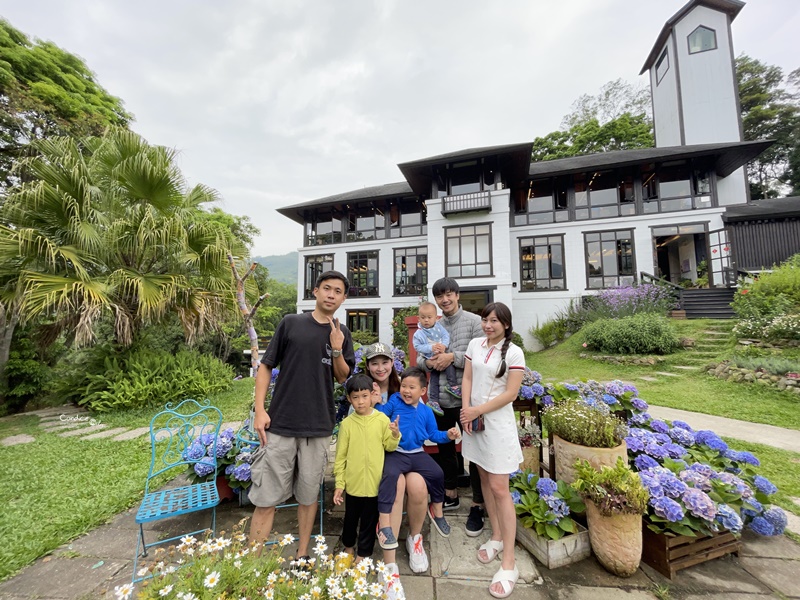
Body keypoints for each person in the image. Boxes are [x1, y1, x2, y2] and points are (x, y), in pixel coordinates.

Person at [248, 270, 355, 563]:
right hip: (281, 423)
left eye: (338, 291)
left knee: (308, 497)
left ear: (344, 298)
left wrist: (336, 350)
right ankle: (250, 564)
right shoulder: (291, 323)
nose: (331, 295)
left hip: (318, 426)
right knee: (266, 497)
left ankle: (303, 554)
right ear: (316, 291)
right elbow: (266, 366)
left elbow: (344, 377)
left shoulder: (342, 333)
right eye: (327, 288)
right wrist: (260, 410)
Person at [460, 302, 525, 599]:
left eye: (495, 321)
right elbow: (468, 378)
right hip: (474, 422)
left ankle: (509, 562)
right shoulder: (476, 343)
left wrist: (477, 410)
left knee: (500, 487)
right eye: (486, 319)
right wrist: (466, 411)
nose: (489, 325)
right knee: (483, 478)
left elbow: (511, 393)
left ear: (506, 324)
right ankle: (496, 537)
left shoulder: (513, 352)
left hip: (496, 425)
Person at [418, 277, 486, 536]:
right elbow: (422, 359)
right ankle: (451, 493)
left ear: (457, 295)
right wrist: (430, 364)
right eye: (439, 296)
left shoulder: (473, 322)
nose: (444, 300)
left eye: (448, 294)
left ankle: (478, 503)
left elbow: (481, 357)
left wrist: (452, 357)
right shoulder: (430, 324)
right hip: (441, 400)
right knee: (445, 447)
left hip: (469, 400)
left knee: (475, 451)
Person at [363, 343, 430, 590]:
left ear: (393, 363)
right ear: (367, 366)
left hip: (407, 453)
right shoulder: (363, 388)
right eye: (374, 363)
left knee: (419, 484)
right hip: (378, 457)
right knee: (398, 484)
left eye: (385, 362)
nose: (380, 368)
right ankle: (389, 563)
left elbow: (422, 418)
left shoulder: (403, 388)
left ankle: (415, 538)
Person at [373, 367, 459, 558]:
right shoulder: (395, 400)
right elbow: (381, 413)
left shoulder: (426, 411)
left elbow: (433, 435)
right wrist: (377, 402)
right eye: (403, 385)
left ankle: (436, 509)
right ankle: (384, 521)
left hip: (417, 454)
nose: (406, 390)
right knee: (390, 477)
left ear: (422, 391)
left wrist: (448, 435)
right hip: (397, 453)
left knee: (437, 473)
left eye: (412, 387)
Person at [333, 374, 401, 565]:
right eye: (355, 397)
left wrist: (395, 434)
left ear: (373, 395)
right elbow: (340, 457)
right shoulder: (346, 425)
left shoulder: (381, 419)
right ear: (349, 399)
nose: (361, 402)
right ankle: (348, 548)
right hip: (353, 484)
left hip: (374, 484)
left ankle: (363, 554)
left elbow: (389, 446)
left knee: (369, 522)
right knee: (350, 519)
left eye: (364, 396)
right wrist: (340, 483)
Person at [412, 301, 455, 416]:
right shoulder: (419, 333)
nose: (426, 320)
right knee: (434, 378)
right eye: (423, 317)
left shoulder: (438, 327)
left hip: (442, 354)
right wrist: (430, 348)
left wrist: (444, 345)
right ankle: (433, 400)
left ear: (436, 318)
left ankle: (452, 385)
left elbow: (446, 336)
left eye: (429, 317)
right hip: (430, 358)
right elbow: (417, 347)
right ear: (418, 318)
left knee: (449, 366)